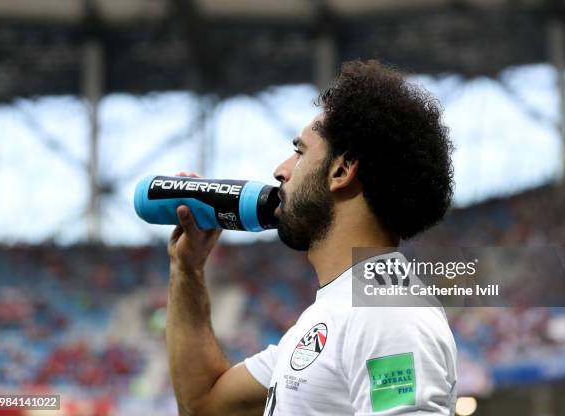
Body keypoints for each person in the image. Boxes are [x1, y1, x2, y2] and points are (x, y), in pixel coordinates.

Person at [166, 59, 457, 416]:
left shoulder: (387, 313)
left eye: (300, 152)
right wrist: (187, 268)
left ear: (341, 170)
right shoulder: (337, 314)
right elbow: (203, 405)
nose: (280, 171)